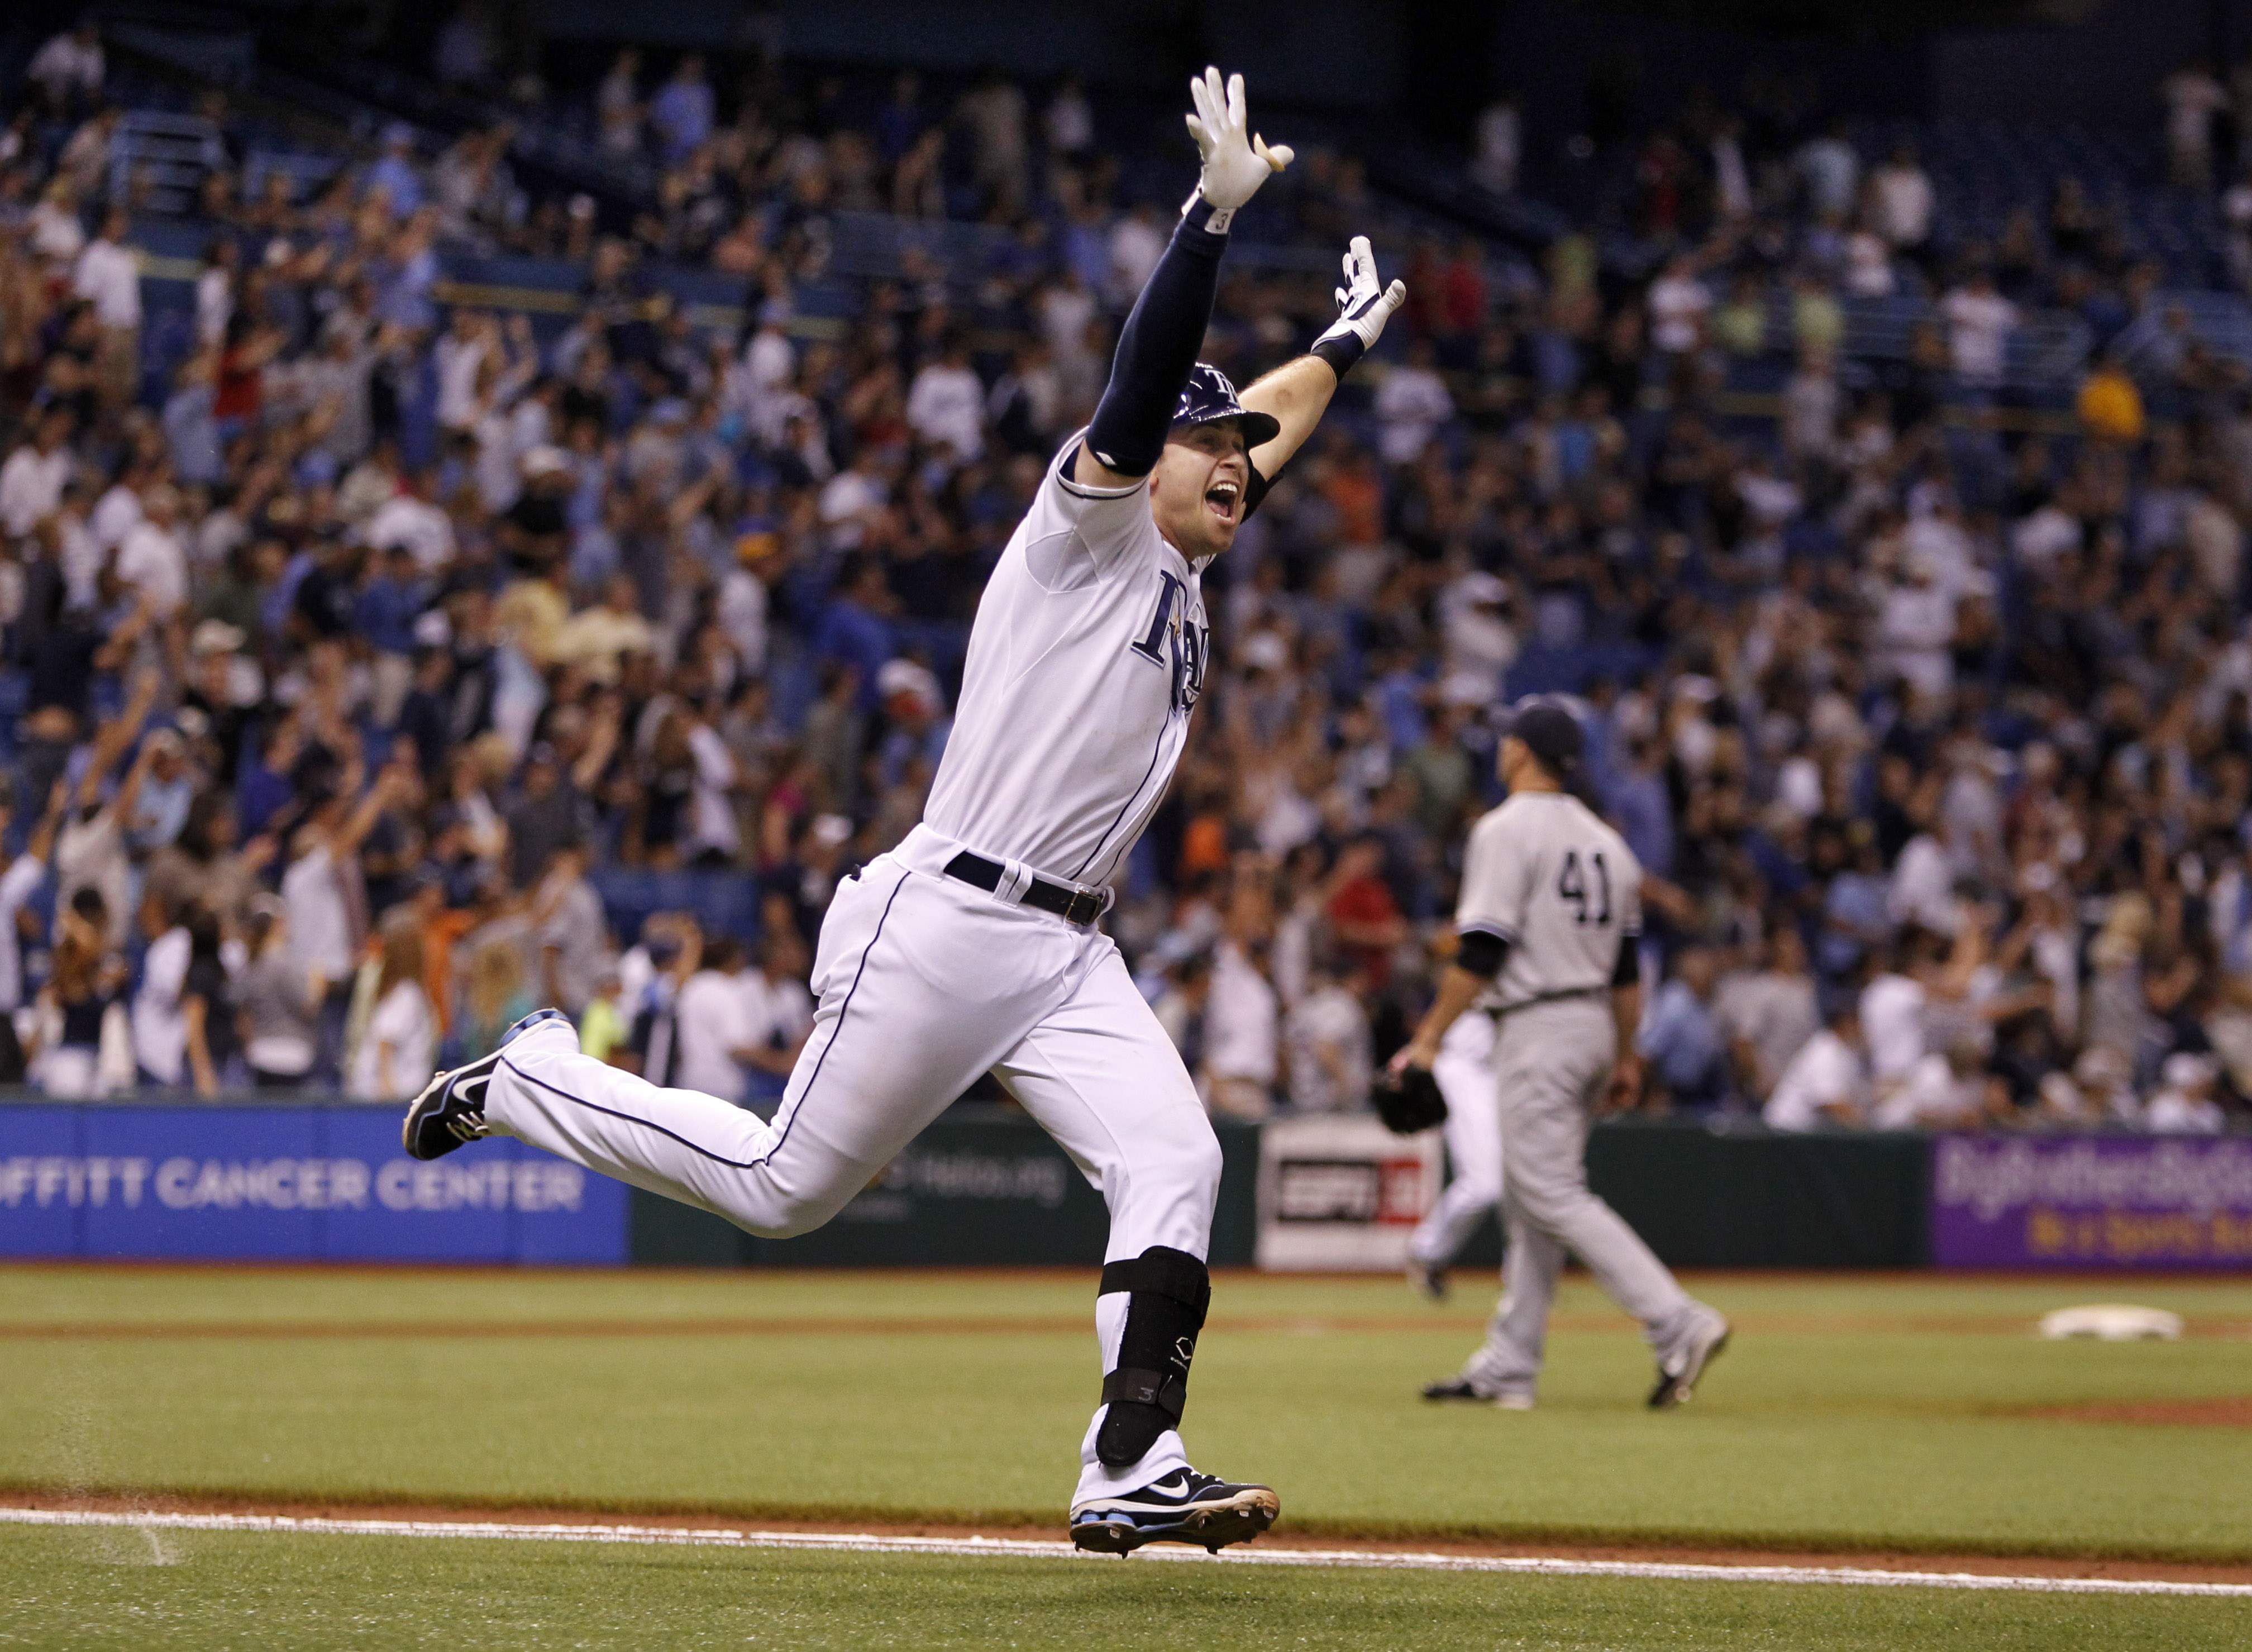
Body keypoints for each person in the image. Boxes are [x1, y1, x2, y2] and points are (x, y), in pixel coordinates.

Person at [400, 69, 1404, 1556]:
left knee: (1179, 1156)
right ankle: (539, 1073)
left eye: (1240, 454)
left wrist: (1339, 342)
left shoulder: (1192, 544)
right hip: (948, 916)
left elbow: (1273, 419)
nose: (1240, 468)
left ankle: (1131, 1455)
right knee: (781, 1184)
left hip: (1070, 950)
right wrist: (1206, 222)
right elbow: (1146, 393)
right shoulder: (1091, 529)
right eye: (1218, 452)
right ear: (1159, 461)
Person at [1392, 698, 1730, 1412]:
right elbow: (1627, 971)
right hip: (1595, 1029)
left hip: (1538, 1026)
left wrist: (1428, 1037)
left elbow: (1483, 947)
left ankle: (1678, 1320)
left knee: (1547, 1193)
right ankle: (1511, 1366)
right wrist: (1628, 1055)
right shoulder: (1610, 843)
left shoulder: (1505, 828)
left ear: (1519, 752)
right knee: (1530, 1198)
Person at [1402, 987, 1500, 1302]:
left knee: (1530, 1182)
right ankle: (1426, 1251)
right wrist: (1426, 1042)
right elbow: (1464, 963)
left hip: (1513, 1064)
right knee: (1485, 1185)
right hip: (1470, 1062)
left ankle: (1529, 1279)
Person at [350, 913, 437, 1101]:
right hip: (388, 1095)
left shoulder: (400, 990)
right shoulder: (406, 994)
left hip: (389, 1092)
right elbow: (385, 1041)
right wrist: (387, 1093)